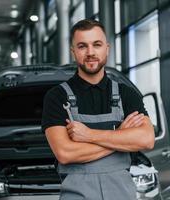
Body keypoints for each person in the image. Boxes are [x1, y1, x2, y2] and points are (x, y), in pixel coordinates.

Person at [41, 19, 155, 200]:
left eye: (97, 44)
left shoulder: (127, 94)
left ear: (107, 48)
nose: (90, 52)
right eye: (82, 46)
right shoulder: (57, 97)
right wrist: (122, 136)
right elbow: (65, 153)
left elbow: (147, 140)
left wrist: (89, 135)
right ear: (73, 52)